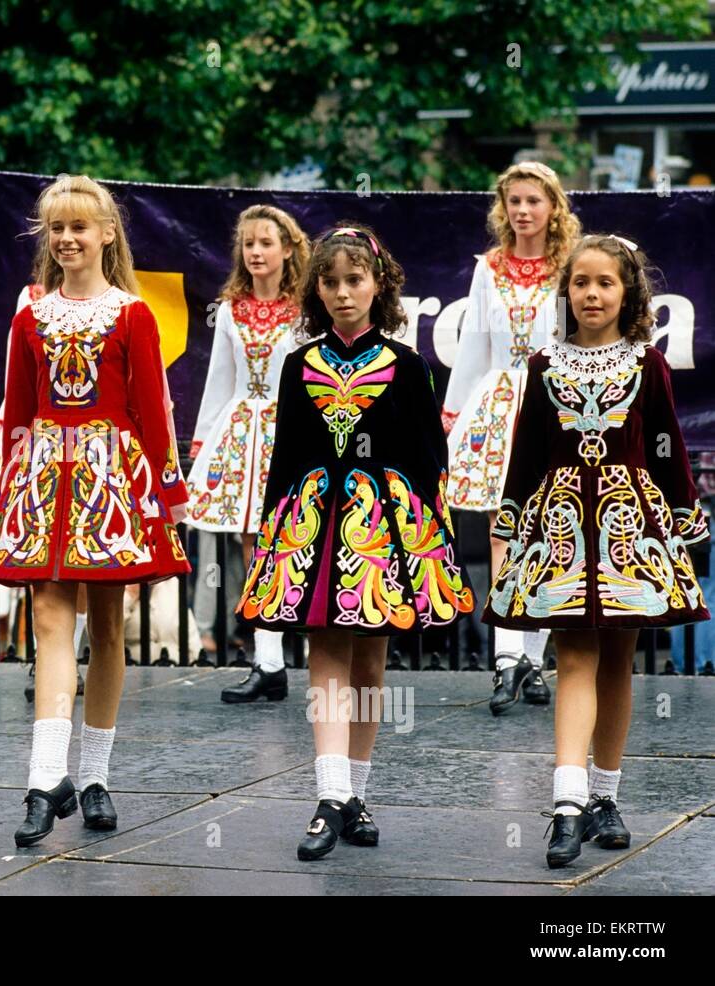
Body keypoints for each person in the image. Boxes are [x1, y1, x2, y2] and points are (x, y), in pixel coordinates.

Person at [237, 225, 474, 860]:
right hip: (312, 524)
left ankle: (354, 796)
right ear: (316, 288)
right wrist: (271, 535)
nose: (343, 293)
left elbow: (430, 459)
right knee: (326, 656)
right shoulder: (297, 364)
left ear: (379, 285)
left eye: (355, 280)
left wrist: (427, 539)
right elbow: (285, 456)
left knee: (371, 664)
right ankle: (329, 795)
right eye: (331, 282)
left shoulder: (407, 365)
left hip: (383, 532)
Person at [0, 175, 189, 847]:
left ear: (106, 235)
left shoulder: (133, 313)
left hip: (112, 486)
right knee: (48, 624)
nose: (67, 238)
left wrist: (169, 497)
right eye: (56, 228)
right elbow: (17, 406)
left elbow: (152, 411)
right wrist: (3, 487)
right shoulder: (28, 314)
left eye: (78, 227)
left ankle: (93, 775)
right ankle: (44, 781)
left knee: (106, 629)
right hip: (42, 483)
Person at [483, 234, 709, 868]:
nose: (591, 293)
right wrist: (508, 527)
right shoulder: (543, 366)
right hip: (559, 532)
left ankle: (605, 797)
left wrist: (682, 516)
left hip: (629, 533)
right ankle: (566, 803)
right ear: (567, 292)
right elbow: (527, 453)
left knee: (617, 663)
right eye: (580, 282)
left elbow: (667, 447)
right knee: (575, 657)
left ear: (628, 293)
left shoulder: (647, 365)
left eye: (605, 283)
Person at [442, 162, 580, 713]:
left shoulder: (569, 267)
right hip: (497, 404)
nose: (523, 210)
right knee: (503, 529)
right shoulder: (488, 269)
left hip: (551, 403)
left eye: (533, 200)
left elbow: (574, 341)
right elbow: (473, 345)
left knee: (546, 531)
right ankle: (505, 659)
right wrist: (453, 414)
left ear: (553, 207)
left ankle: (534, 659)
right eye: (514, 201)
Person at [184, 204, 309, 703]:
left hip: (290, 431)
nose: (256, 252)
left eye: (266, 243)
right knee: (250, 541)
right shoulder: (232, 308)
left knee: (287, 540)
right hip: (242, 431)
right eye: (249, 244)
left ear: (287, 249)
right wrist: (204, 442)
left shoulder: (306, 308)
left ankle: (284, 651)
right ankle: (266, 658)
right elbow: (220, 380)